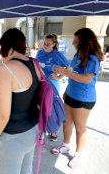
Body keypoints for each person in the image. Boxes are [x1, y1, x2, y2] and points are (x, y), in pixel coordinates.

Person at [0, 28, 41, 174]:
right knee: (26, 170)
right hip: (33, 129)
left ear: (7, 46)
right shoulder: (35, 63)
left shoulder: (6, 68)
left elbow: (3, 115)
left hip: (13, 137)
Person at [52, 28, 103, 168]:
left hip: (83, 99)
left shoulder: (92, 58)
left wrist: (64, 72)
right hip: (70, 95)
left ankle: (78, 154)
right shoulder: (78, 54)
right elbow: (71, 71)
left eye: (76, 40)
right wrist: (64, 84)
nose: (73, 42)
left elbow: (86, 79)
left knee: (80, 128)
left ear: (84, 41)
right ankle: (65, 145)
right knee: (66, 123)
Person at [36, 34, 69, 141]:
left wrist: (59, 77)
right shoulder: (40, 53)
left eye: (48, 44)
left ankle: (54, 131)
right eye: (44, 43)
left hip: (53, 84)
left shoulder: (57, 55)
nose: (45, 45)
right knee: (40, 106)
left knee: (52, 108)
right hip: (40, 83)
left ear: (54, 44)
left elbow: (68, 67)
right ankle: (42, 128)